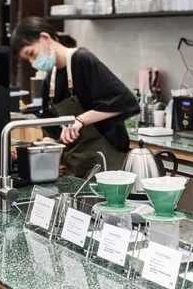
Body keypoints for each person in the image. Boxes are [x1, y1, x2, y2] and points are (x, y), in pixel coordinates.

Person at [11, 17, 140, 177]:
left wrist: (80, 120)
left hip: (106, 163)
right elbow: (53, 130)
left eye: (31, 54)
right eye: (28, 60)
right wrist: (48, 144)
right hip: (75, 167)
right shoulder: (50, 82)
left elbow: (124, 101)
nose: (32, 63)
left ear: (44, 38)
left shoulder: (82, 60)